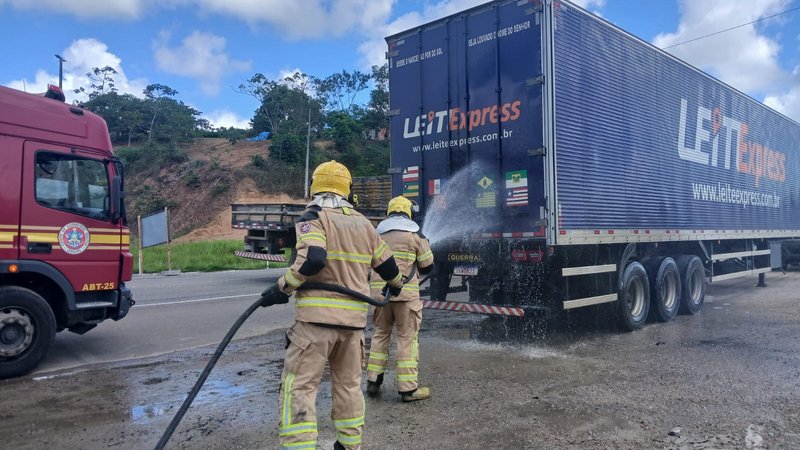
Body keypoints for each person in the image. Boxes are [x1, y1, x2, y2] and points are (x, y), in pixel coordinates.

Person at [259, 160, 404, 450]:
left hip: (315, 325)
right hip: (352, 329)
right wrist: (397, 285)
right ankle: (349, 445)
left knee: (299, 387)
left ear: (315, 185)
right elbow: (388, 266)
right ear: (347, 190)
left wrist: (282, 287)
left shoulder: (313, 215)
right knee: (349, 387)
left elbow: (313, 258)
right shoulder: (364, 223)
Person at [365, 196, 434, 402]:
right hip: (406, 298)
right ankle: (408, 389)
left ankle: (373, 382)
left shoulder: (376, 234)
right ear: (408, 212)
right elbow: (428, 265)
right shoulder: (414, 235)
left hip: (380, 298)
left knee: (380, 335)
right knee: (406, 339)